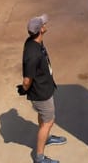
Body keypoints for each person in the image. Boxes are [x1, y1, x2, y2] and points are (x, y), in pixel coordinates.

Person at [20, 15, 67, 163]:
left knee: (43, 117)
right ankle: (39, 157)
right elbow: (27, 79)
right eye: (43, 24)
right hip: (41, 93)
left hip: (44, 87)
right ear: (40, 30)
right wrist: (24, 88)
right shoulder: (33, 54)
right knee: (49, 122)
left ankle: (46, 137)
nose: (45, 24)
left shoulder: (34, 42)